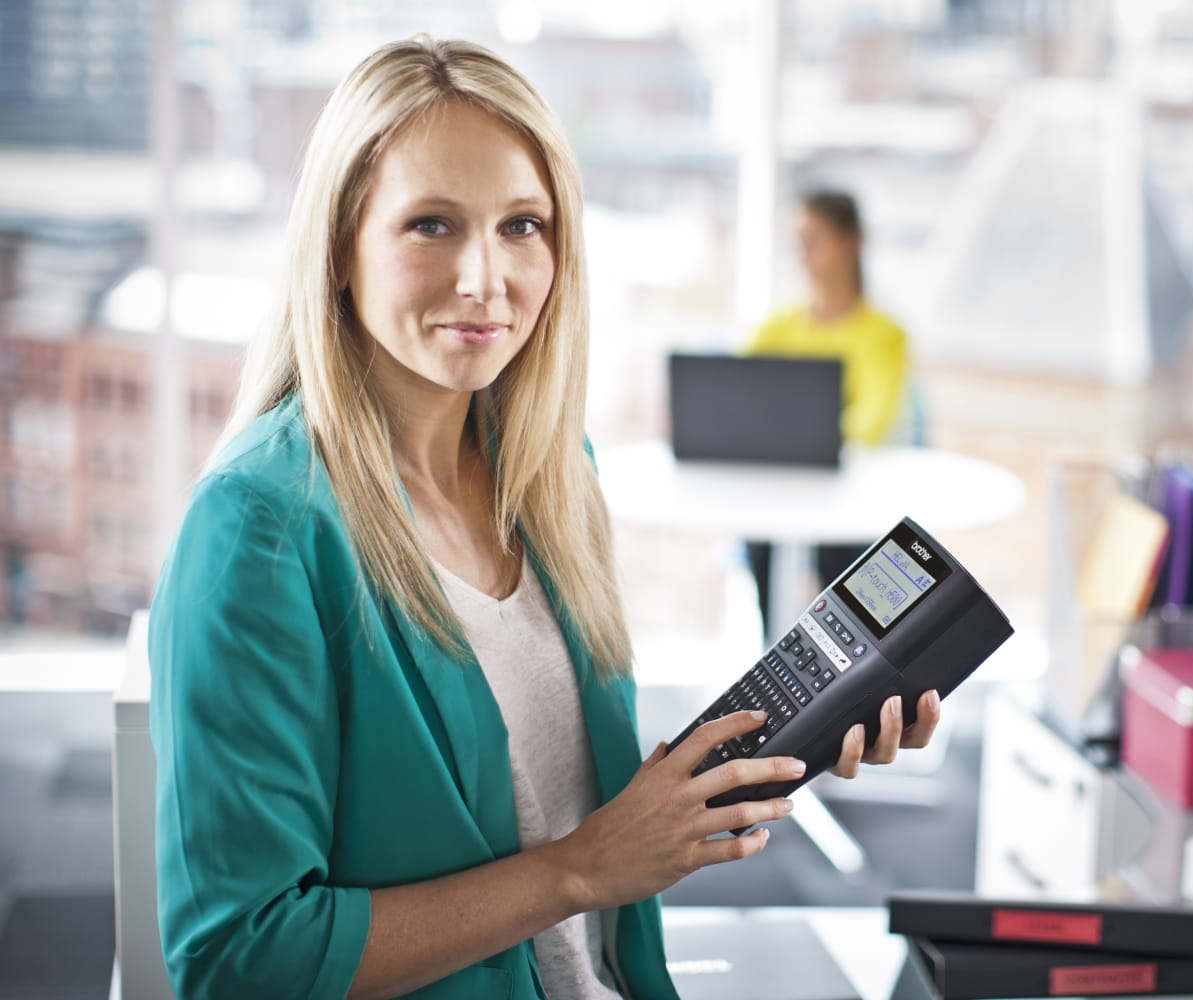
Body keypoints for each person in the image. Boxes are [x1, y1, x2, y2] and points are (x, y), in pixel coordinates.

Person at [148, 36, 942, 1000]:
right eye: (432, 224)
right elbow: (239, 959)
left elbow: (546, 800)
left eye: (522, 226)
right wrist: (580, 868)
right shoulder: (259, 528)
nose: (485, 278)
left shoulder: (556, 477)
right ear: (340, 247)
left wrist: (747, 766)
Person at [745, 190, 915, 632]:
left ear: (851, 242)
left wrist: (788, 433)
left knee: (845, 570)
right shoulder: (778, 327)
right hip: (781, 493)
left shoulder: (884, 334)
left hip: (849, 495)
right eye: (798, 241)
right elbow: (737, 400)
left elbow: (871, 424)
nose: (802, 253)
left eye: (813, 239)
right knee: (762, 544)